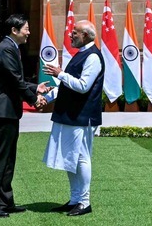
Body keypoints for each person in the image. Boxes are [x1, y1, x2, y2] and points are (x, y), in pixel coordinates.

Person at [40, 19, 104, 217]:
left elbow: (83, 86)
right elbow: (68, 85)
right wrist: (47, 97)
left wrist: (60, 74)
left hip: (82, 115)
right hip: (69, 114)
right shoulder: (81, 54)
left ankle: (85, 202)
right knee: (71, 158)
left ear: (85, 35)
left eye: (74, 33)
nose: (70, 35)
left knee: (82, 158)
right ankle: (75, 199)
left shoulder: (93, 57)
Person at [0, 14, 36, 218]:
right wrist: (33, 98)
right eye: (26, 29)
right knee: (0, 158)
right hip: (2, 111)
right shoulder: (6, 48)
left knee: (8, 158)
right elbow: (14, 80)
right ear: (14, 30)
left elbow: (14, 79)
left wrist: (34, 87)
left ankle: (5, 201)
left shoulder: (11, 47)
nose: (29, 32)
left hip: (9, 111)